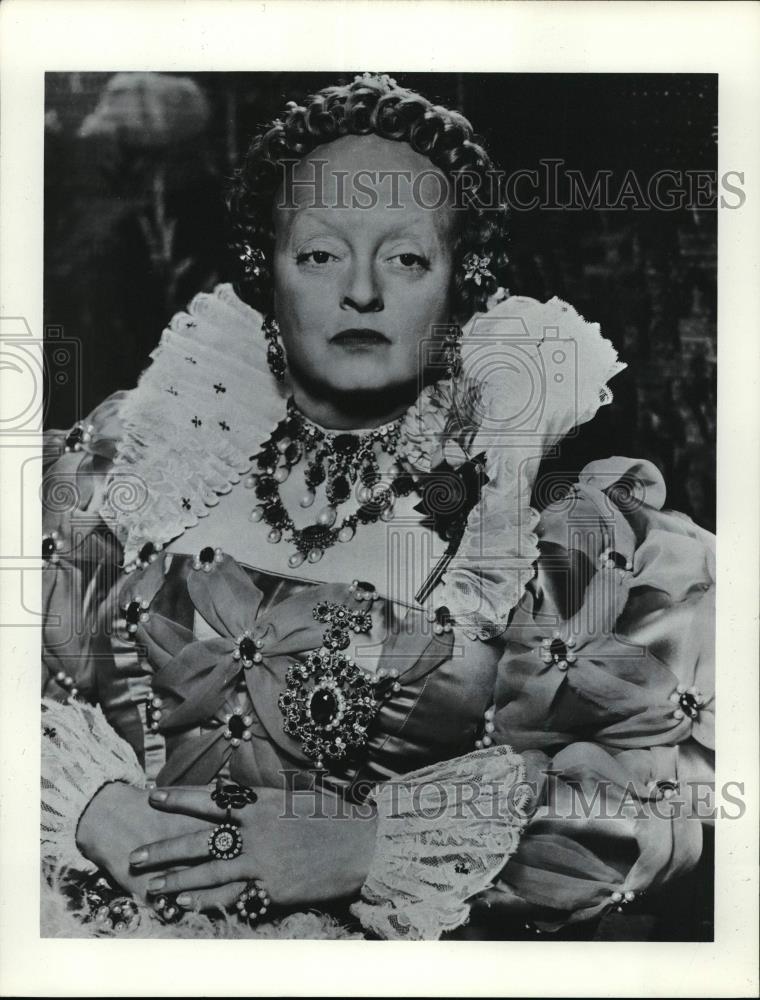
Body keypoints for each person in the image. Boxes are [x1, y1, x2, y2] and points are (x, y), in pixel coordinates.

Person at [41, 74, 714, 940]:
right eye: (320, 254)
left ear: (459, 282)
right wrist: (92, 802)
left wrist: (371, 842)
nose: (361, 291)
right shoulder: (145, 453)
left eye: (405, 257)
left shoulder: (537, 522)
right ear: (266, 274)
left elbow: (668, 799)